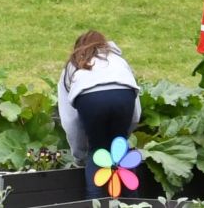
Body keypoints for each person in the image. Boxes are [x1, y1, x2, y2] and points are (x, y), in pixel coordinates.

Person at [56, 30, 141, 200]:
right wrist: (123, 135)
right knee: (121, 149)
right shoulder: (119, 61)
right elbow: (136, 113)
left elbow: (70, 120)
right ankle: (134, 202)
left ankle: (95, 202)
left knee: (97, 150)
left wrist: (79, 154)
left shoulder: (73, 65)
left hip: (90, 98)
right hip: (124, 96)